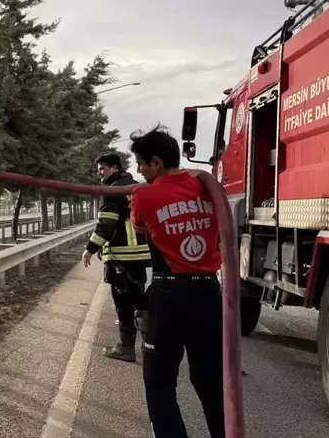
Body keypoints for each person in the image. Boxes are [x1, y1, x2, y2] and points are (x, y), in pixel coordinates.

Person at [128, 126, 225, 438]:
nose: (139, 172)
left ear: (155, 163)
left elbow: (141, 231)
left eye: (141, 165)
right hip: (208, 295)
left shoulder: (144, 194)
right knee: (211, 382)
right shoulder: (208, 188)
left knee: (159, 383)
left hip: (169, 297)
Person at [81, 153, 152, 362]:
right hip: (145, 255)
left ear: (113, 168)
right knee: (142, 302)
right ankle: (150, 348)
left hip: (122, 257)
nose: (99, 174)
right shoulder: (137, 188)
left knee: (123, 302)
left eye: (101, 169)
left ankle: (126, 348)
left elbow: (106, 224)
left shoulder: (112, 191)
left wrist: (90, 248)